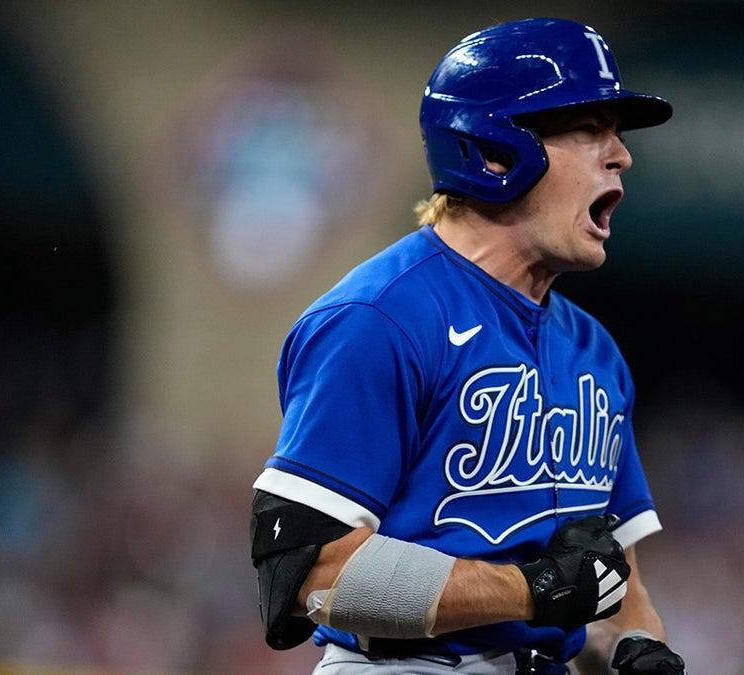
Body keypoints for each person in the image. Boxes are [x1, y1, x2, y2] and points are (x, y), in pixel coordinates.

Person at [249, 17, 687, 675]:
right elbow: (311, 570)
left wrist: (633, 645)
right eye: (589, 130)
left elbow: (608, 579)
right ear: (495, 152)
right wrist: (531, 589)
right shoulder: (381, 316)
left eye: (616, 135)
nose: (621, 154)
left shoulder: (596, 352)